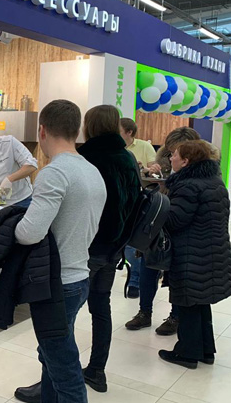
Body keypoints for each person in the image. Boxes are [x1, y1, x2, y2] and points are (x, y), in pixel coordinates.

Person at [13, 100, 107, 403]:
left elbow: (29, 233)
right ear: (76, 130)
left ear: (42, 130)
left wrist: (11, 224)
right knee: (53, 352)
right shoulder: (91, 171)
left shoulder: (54, 173)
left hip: (56, 283)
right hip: (79, 276)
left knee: (63, 365)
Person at [77, 106, 141, 393]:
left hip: (87, 248)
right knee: (101, 308)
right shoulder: (127, 158)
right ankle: (96, 370)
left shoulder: (87, 158)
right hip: (115, 249)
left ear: (89, 126)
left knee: (62, 313)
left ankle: (54, 381)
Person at [158, 140, 231, 369]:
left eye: (174, 155)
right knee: (201, 302)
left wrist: (159, 205)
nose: (170, 158)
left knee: (188, 303)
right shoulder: (214, 181)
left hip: (191, 255)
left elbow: (174, 220)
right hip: (212, 252)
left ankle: (187, 353)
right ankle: (206, 351)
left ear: (186, 161)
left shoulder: (188, 185)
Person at [125, 126, 202, 336]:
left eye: (177, 151)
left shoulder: (200, 171)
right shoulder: (164, 159)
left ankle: (175, 316)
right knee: (148, 266)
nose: (172, 155)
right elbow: (151, 186)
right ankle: (144, 312)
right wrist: (150, 173)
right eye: (170, 151)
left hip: (182, 228)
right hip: (158, 223)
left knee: (176, 273)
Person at [119, 118, 157, 298]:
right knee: (125, 244)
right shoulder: (115, 149)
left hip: (139, 201)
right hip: (120, 201)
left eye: (118, 130)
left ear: (129, 132)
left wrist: (146, 169)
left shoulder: (144, 147)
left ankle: (135, 280)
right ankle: (136, 277)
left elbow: (154, 170)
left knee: (133, 242)